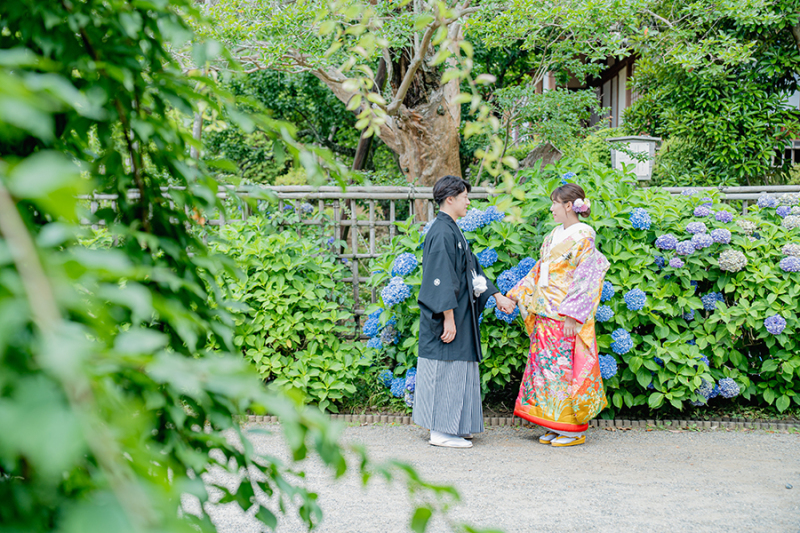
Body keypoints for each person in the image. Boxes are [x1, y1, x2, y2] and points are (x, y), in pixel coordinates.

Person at [413, 175, 516, 448]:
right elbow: (440, 278)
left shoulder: (452, 230)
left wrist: (496, 296)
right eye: (465, 197)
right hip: (448, 314)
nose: (468, 202)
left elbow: (472, 269)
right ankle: (441, 431)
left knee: (459, 368)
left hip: (460, 312)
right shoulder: (441, 232)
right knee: (445, 368)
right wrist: (448, 318)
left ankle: (457, 425)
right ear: (450, 199)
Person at [506, 183, 609, 447]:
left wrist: (573, 314)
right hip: (545, 311)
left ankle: (572, 429)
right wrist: (516, 294)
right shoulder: (553, 234)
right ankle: (553, 423)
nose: (551, 208)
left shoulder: (584, 236)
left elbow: (586, 277)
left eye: (555, 203)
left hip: (565, 315)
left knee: (564, 370)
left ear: (568, 206)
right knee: (546, 370)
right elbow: (540, 269)